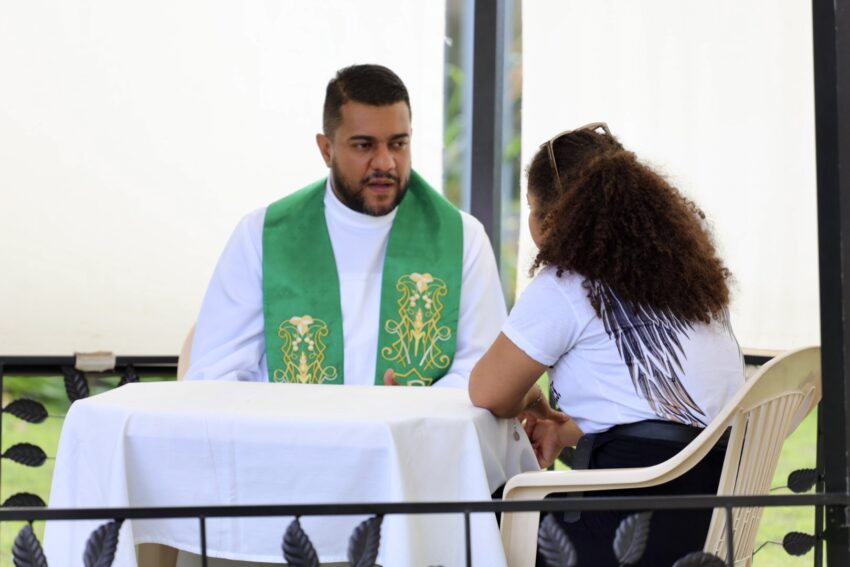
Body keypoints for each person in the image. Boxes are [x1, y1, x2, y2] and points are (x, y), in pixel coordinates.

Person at [469, 123, 744, 566]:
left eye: (531, 208)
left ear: (550, 219)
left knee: (469, 515)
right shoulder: (692, 283)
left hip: (624, 535)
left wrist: (533, 398)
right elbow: (668, 418)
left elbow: (488, 392)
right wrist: (567, 431)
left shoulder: (568, 283)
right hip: (709, 523)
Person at [185, 64, 505, 391]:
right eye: (364, 145)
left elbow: (484, 371)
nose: (385, 163)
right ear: (326, 149)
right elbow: (215, 376)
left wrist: (414, 408)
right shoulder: (261, 238)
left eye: (398, 144)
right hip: (291, 425)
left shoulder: (462, 239)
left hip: (417, 426)